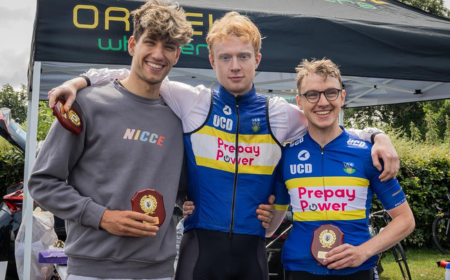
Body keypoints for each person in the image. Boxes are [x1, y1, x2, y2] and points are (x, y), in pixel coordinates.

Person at [48, 12, 400, 280]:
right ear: (212, 61)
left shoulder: (280, 114)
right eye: (226, 57)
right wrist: (84, 80)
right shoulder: (191, 100)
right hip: (200, 248)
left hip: (252, 251)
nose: (235, 66)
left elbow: (326, 119)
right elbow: (140, 74)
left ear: (257, 60)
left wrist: (374, 135)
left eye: (244, 56)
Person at [28, 1, 193, 279]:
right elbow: (42, 182)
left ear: (177, 55)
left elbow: (186, 187)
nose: (158, 54)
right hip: (92, 269)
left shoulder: (182, 118)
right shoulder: (86, 104)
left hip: (159, 271)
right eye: (150, 42)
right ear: (132, 45)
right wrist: (102, 217)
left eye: (169, 47)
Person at [267, 59, 415, 280]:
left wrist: (364, 251)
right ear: (300, 101)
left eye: (331, 93)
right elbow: (270, 226)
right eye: (312, 95)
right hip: (298, 270)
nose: (322, 102)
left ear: (342, 97)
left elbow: (405, 220)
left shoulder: (368, 154)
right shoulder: (285, 156)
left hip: (357, 270)